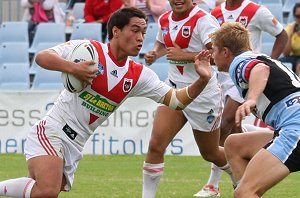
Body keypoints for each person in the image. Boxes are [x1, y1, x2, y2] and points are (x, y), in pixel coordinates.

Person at [0, 7, 213, 197]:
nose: (141, 38)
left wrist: (202, 80)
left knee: (43, 190)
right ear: (115, 31)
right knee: (47, 190)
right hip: (52, 130)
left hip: (76, 143)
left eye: (144, 32)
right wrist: (74, 68)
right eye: (135, 30)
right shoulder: (89, 49)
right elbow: (42, 57)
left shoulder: (138, 75)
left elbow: (176, 101)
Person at [141, 1, 237, 198]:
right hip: (175, 89)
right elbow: (163, 44)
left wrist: (184, 56)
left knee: (210, 153)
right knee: (155, 145)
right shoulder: (165, 19)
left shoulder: (203, 20)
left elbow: (220, 55)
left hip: (204, 96)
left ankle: (240, 175)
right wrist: (155, 54)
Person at [194, 0, 288, 196]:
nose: (212, 55)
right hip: (286, 128)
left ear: (225, 51)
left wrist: (252, 99)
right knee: (233, 144)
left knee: (244, 191)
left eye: (214, 50)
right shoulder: (252, 57)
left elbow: (260, 70)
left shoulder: (238, 62)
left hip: (294, 129)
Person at [279, 3, 300, 76]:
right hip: (293, 57)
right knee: (278, 63)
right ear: (294, 16)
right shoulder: (290, 28)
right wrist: (290, 35)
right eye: (298, 16)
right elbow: (286, 53)